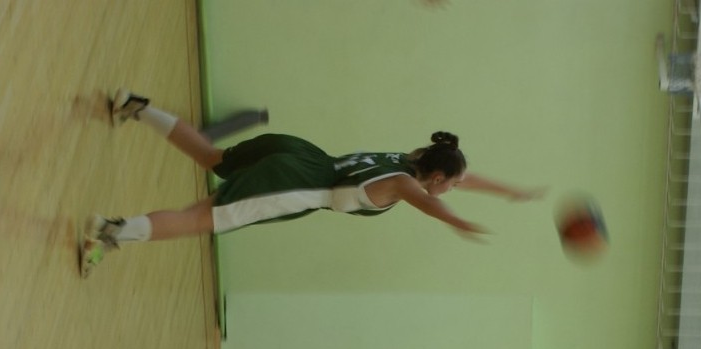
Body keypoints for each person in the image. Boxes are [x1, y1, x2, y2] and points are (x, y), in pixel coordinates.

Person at [78, 90, 543, 276]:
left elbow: (459, 177)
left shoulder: (416, 157)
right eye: (450, 185)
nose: (451, 189)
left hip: (301, 152)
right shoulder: (406, 184)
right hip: (296, 183)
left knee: (212, 157)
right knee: (198, 219)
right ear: (436, 178)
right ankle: (112, 232)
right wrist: (463, 225)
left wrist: (509, 192)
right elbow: (435, 204)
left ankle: (137, 108)